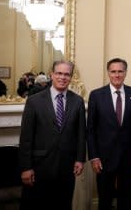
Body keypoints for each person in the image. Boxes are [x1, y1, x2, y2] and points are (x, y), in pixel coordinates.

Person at [18, 60, 86, 210]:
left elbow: (81, 133)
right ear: (51, 75)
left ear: (71, 77)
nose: (62, 77)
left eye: (67, 74)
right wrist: (26, 168)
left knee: (63, 204)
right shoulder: (34, 101)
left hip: (66, 166)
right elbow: (26, 137)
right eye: (59, 73)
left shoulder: (78, 101)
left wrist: (80, 159)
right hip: (39, 166)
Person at [86, 58, 131, 210]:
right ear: (108, 73)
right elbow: (90, 129)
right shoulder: (96, 95)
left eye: (120, 71)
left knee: (126, 198)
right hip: (104, 157)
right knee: (105, 199)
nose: (117, 75)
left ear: (125, 73)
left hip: (127, 156)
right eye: (113, 71)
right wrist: (94, 156)